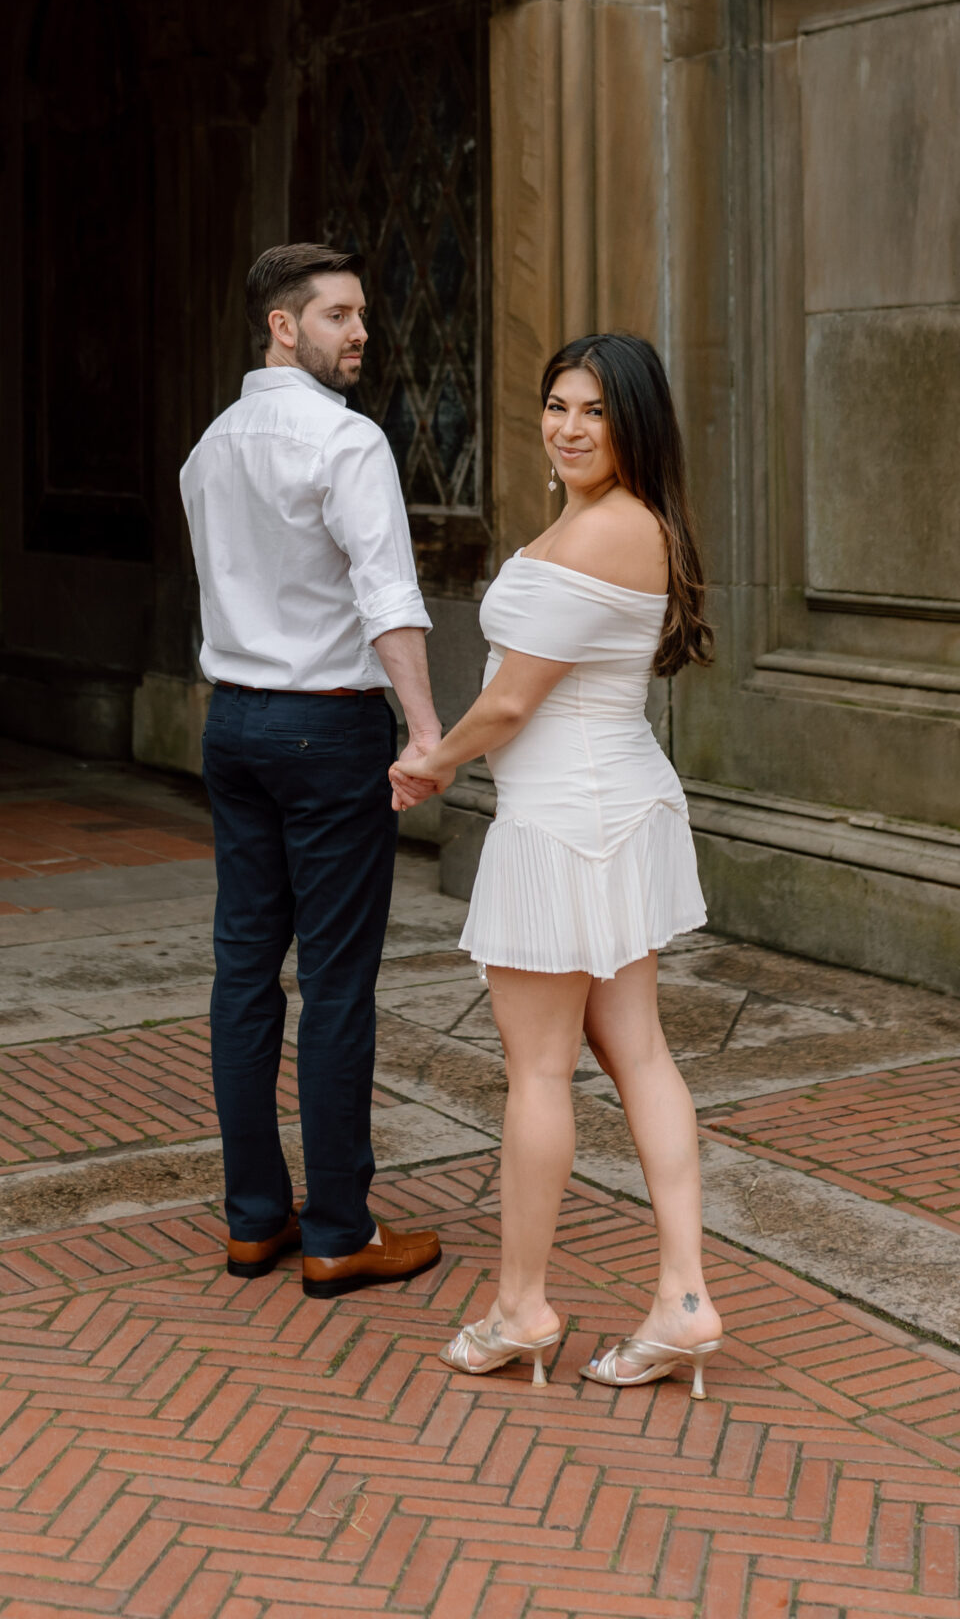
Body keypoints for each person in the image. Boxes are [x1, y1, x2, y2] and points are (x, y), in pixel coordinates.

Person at [391, 333, 718, 1395]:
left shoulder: (603, 533)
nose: (570, 426)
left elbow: (515, 698)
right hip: (612, 807)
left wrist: (434, 760)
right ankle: (680, 1298)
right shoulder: (620, 522)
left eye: (595, 411)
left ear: (635, 425)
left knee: (540, 1070)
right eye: (557, 405)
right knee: (641, 1053)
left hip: (568, 823)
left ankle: (521, 1306)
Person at [180, 242, 444, 1297]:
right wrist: (425, 733)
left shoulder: (209, 447)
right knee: (336, 982)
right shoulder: (347, 441)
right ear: (284, 326)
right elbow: (387, 597)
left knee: (245, 970)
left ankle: (255, 1220)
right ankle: (337, 1226)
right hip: (327, 731)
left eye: (362, 314)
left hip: (234, 726)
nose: (360, 332)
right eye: (339, 315)